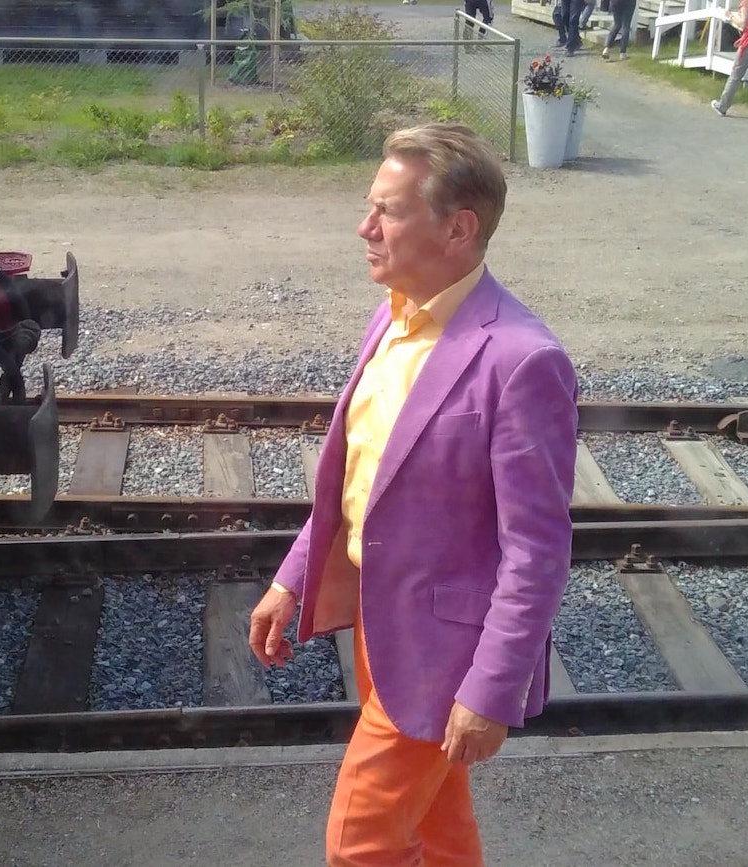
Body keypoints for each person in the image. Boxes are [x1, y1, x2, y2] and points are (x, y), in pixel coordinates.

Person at [247, 123, 578, 867]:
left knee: (357, 842)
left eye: (388, 211)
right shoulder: (394, 317)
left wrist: (490, 689)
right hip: (379, 626)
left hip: (448, 656)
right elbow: (357, 484)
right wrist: (289, 580)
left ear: (459, 228)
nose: (365, 227)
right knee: (437, 830)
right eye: (372, 207)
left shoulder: (522, 361)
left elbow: (537, 550)